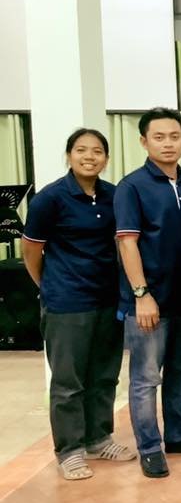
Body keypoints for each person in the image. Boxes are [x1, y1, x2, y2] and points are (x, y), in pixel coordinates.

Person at [22, 129, 135, 480]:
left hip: (107, 299)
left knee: (104, 375)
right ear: (69, 155)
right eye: (82, 150)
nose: (90, 157)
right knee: (68, 382)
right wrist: (49, 285)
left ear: (106, 158)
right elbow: (31, 251)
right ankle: (69, 450)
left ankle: (98, 439)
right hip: (67, 302)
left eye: (97, 151)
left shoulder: (113, 195)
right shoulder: (50, 198)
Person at [115, 107, 181, 478]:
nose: (168, 143)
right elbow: (127, 243)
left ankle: (177, 435)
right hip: (148, 301)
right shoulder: (132, 186)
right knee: (146, 379)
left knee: (180, 371)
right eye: (159, 137)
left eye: (174, 136)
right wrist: (141, 294)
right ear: (144, 141)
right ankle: (150, 448)